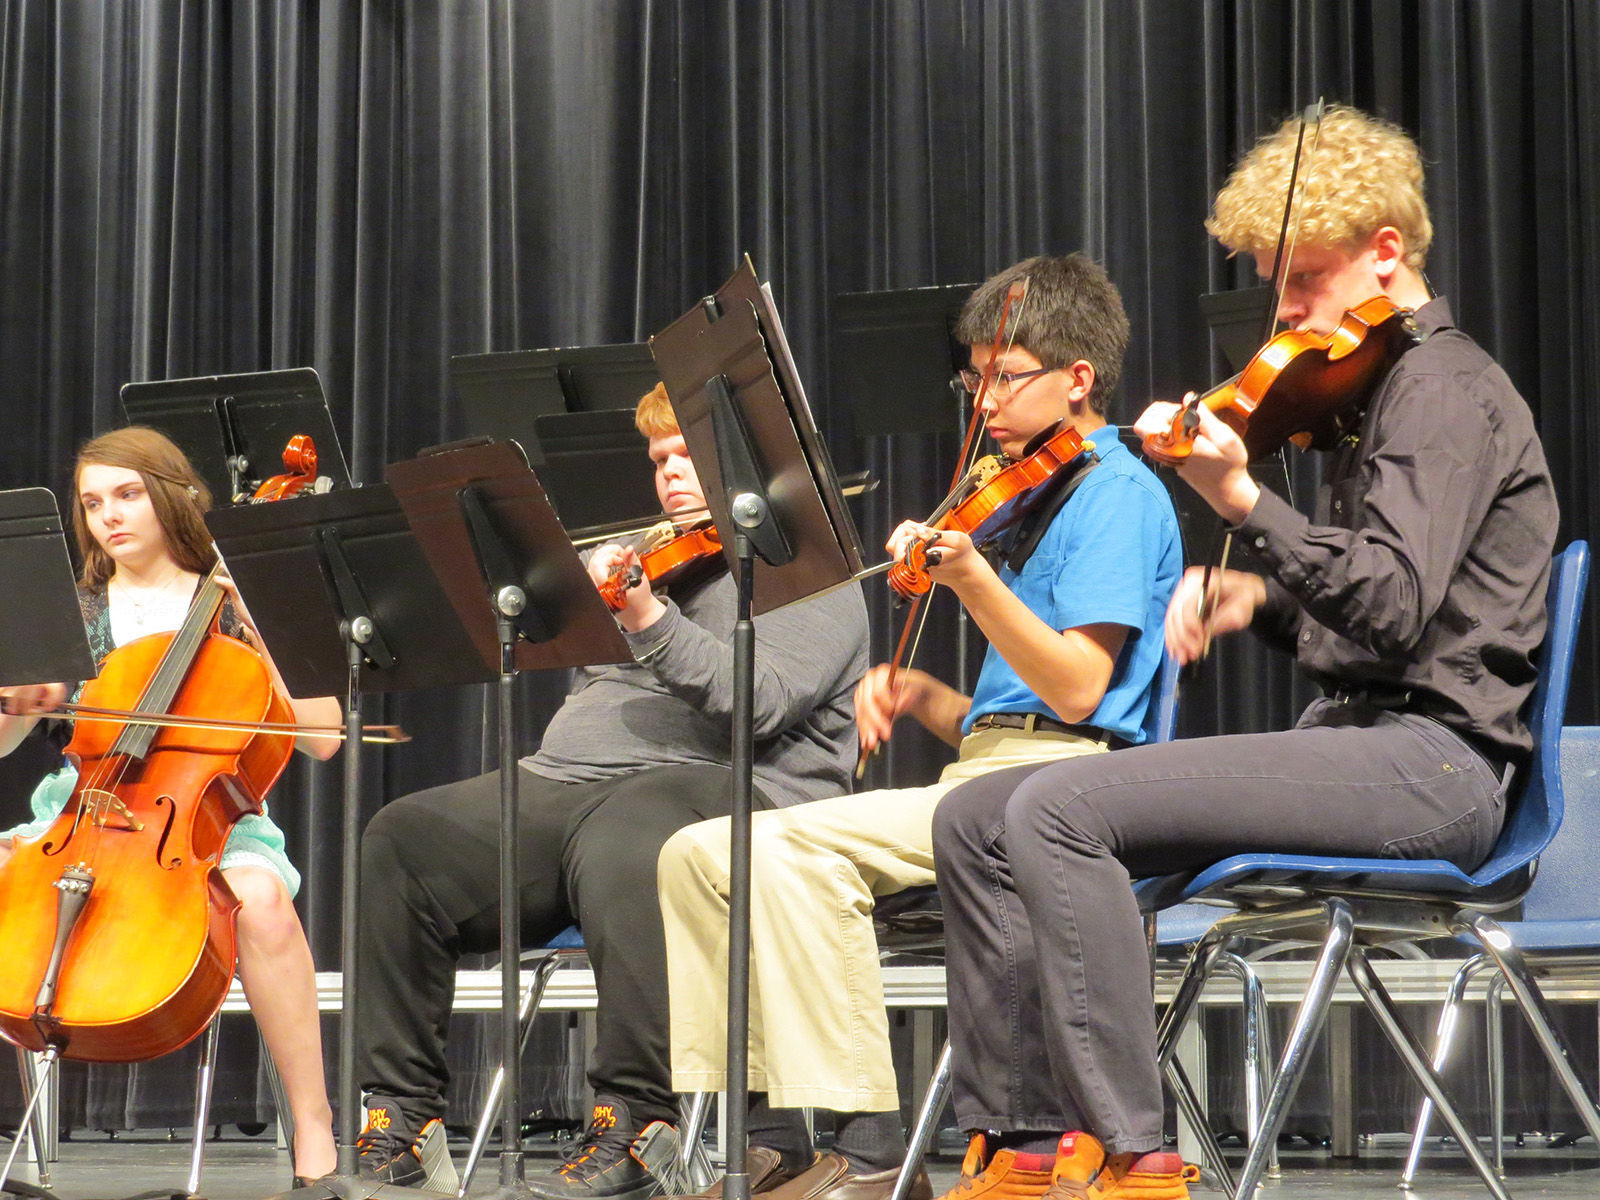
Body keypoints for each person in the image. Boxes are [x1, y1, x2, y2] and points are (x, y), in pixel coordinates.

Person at [926, 104, 1559, 1200]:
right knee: (974, 813)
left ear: (1383, 254)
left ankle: (1135, 1156)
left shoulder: (1446, 390)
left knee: (1059, 808)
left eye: (1300, 282)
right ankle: (1027, 1142)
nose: (1283, 313)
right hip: (1368, 741)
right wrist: (1255, 598)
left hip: (1440, 769)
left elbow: (1396, 610)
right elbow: (1355, 625)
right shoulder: (1369, 401)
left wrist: (1244, 499)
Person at [656, 253, 1183, 1200]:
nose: (981, 401)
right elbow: (1006, 708)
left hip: (1067, 790)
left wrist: (971, 578)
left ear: (1077, 379)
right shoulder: (1026, 495)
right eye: (972, 376)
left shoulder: (1116, 493)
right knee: (698, 852)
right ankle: (772, 1134)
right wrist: (923, 697)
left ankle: (869, 1150)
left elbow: (1074, 694)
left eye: (1004, 377)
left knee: (779, 853)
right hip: (986, 775)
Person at [351, 383, 870, 1198]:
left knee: (633, 828)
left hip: (742, 796)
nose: (668, 475)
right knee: (401, 836)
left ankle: (636, 1123)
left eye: (685, 456)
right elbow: (597, 696)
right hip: (571, 789)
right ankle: (402, 1121)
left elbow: (759, 703)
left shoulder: (812, 574)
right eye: (658, 459)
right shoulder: (648, 556)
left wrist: (646, 620)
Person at [0, 425, 342, 1184]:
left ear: (172, 496)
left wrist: (267, 629)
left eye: (128, 495)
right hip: (75, 810)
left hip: (205, 822)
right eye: (92, 504)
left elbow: (325, 739)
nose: (109, 517)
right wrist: (21, 701)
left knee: (260, 902)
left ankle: (314, 1135)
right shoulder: (76, 610)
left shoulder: (230, 603)